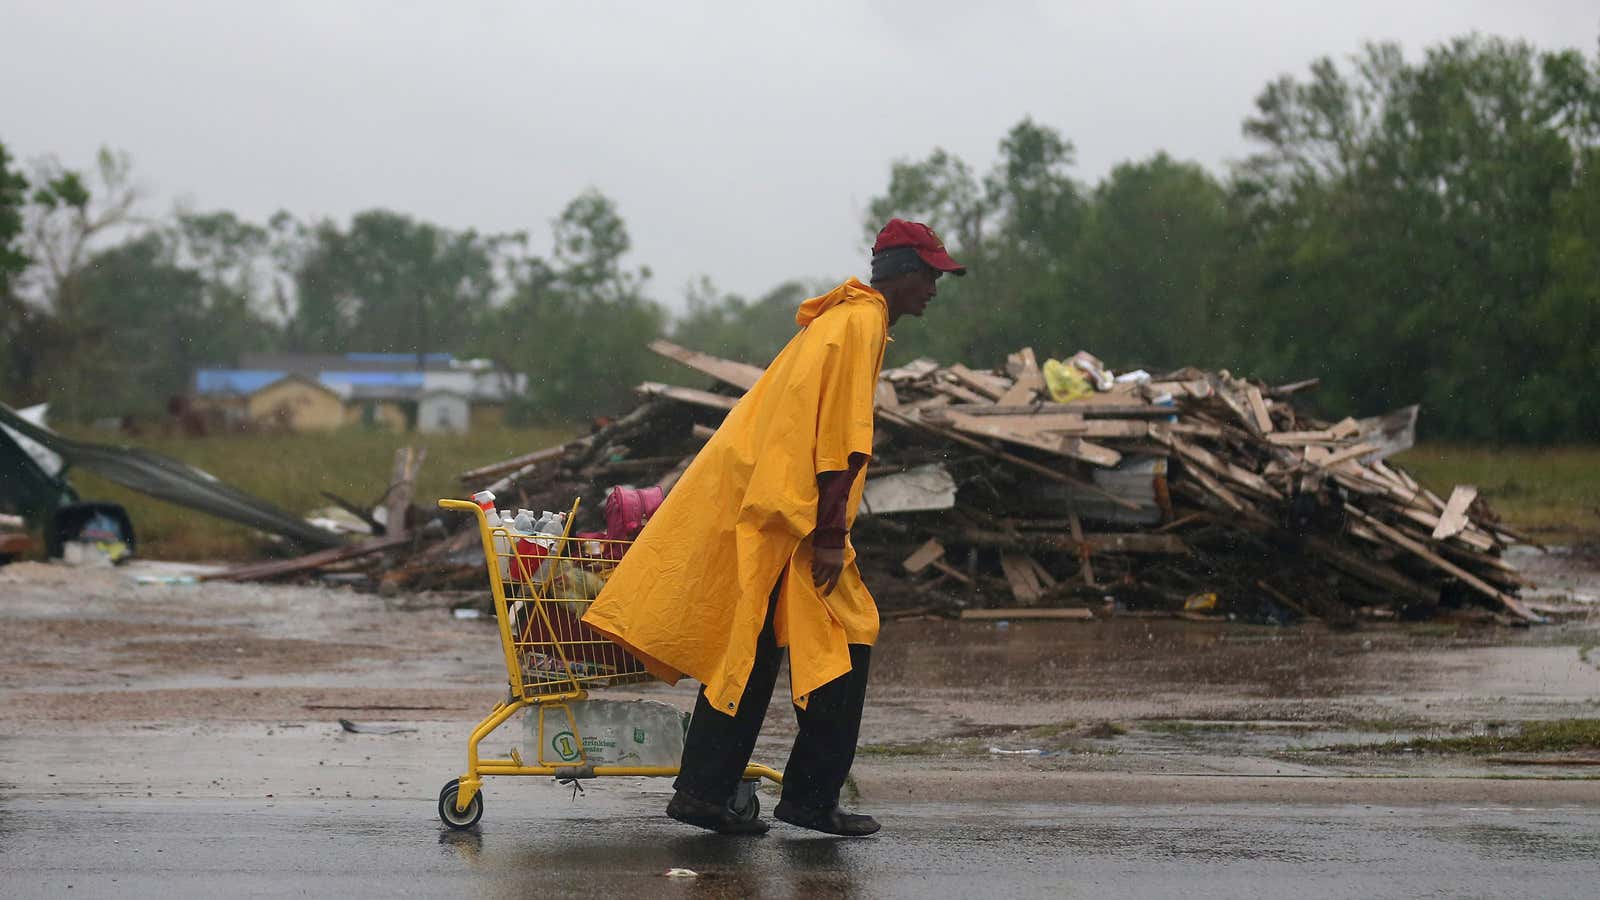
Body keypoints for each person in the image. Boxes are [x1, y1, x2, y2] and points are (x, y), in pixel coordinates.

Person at [582, 219, 965, 837]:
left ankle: (704, 792)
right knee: (848, 636)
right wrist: (833, 537)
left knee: (753, 647)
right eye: (929, 274)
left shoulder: (841, 320)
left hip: (763, 504)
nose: (935, 288)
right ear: (899, 272)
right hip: (789, 515)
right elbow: (841, 445)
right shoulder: (861, 324)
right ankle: (810, 800)